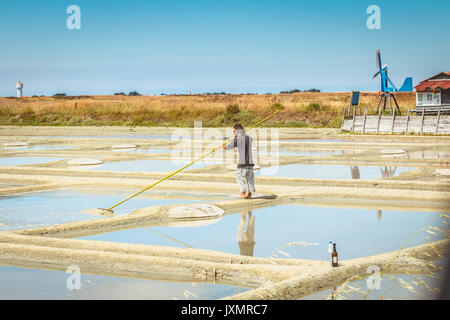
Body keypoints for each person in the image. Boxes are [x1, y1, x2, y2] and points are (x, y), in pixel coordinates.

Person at [223, 123, 255, 199]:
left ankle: (243, 193)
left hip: (242, 163)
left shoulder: (237, 139)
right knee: (250, 179)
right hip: (250, 163)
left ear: (238, 130)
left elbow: (229, 146)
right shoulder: (249, 138)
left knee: (239, 177)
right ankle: (250, 195)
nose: (234, 133)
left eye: (234, 131)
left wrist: (224, 146)